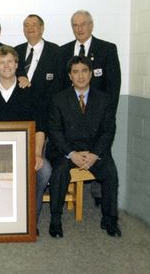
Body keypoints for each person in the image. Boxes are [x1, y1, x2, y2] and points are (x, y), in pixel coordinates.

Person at [0, 45, 49, 234]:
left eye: (10, 61)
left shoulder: (31, 92)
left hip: (24, 152)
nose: (6, 66)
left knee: (44, 171)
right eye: (1, 62)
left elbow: (40, 127)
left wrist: (37, 153)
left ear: (17, 65)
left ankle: (31, 221)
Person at [47, 56, 121, 238]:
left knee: (111, 172)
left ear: (90, 74)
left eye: (84, 71)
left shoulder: (104, 99)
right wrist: (71, 154)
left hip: (94, 152)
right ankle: (55, 220)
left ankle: (109, 220)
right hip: (67, 152)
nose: (80, 76)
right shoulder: (59, 99)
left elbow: (108, 130)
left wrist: (95, 154)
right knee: (59, 172)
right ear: (70, 76)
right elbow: (54, 131)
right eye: (75, 72)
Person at [61, 10, 121, 206]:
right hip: (71, 122)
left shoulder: (107, 49)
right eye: (75, 25)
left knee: (106, 165)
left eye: (83, 24)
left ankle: (100, 196)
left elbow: (113, 87)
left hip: (98, 123)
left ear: (91, 25)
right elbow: (60, 88)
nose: (79, 29)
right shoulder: (63, 51)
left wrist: (107, 119)